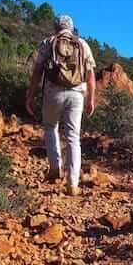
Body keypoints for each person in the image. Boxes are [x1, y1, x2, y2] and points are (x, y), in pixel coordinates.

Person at [26, 15, 96, 195]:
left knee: (50, 127)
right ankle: (72, 183)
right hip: (77, 93)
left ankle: (55, 167)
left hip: (53, 92)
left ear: (56, 27)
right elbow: (90, 76)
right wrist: (91, 99)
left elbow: (37, 72)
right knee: (73, 136)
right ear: (72, 28)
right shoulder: (82, 44)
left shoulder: (48, 42)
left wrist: (30, 96)